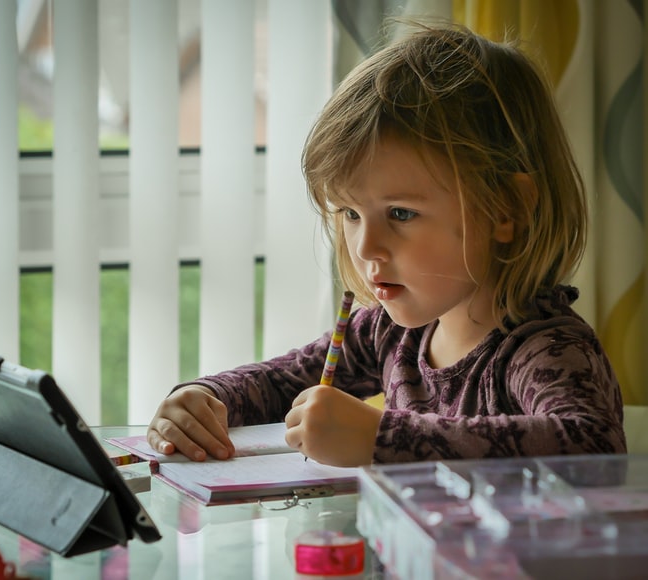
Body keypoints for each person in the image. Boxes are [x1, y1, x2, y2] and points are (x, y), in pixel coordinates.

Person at [147, 24, 626, 467]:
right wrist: (205, 398)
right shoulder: (386, 333)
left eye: (400, 213)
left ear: (506, 210)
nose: (365, 248)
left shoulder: (545, 348)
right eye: (351, 214)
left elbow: (594, 446)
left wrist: (382, 437)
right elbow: (277, 382)